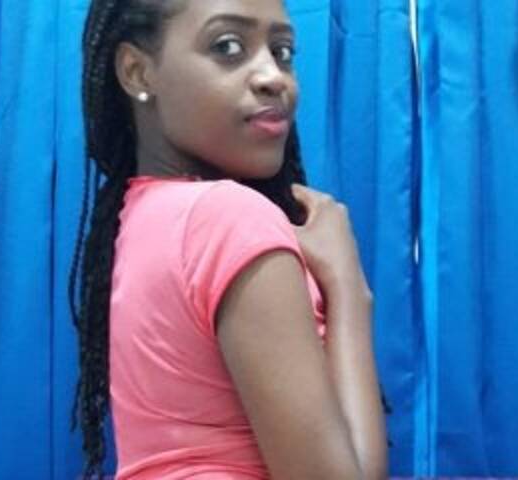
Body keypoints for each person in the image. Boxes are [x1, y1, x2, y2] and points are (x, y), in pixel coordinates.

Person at [69, 0, 388, 478]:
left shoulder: (141, 217)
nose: (273, 77)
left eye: (282, 52)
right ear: (137, 72)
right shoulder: (229, 218)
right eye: (228, 46)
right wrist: (347, 288)